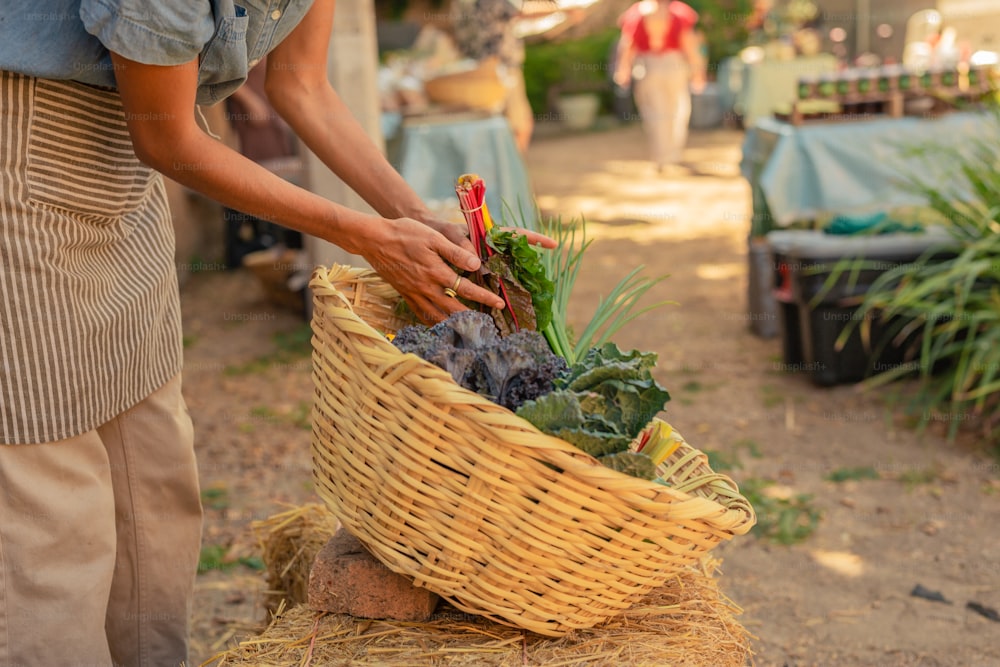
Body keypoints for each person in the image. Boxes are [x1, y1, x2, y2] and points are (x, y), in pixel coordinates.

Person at [0, 2, 554, 666]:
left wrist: (419, 220)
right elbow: (169, 137)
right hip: (30, 147)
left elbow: (302, 86)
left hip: (130, 163)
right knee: (55, 501)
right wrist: (363, 236)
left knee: (154, 479)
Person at [613, 0, 707, 174]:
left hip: (649, 66)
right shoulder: (678, 12)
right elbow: (689, 44)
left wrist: (623, 70)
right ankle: (672, 154)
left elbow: (627, 45)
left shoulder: (637, 13)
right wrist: (697, 71)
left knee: (654, 113)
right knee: (676, 110)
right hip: (674, 66)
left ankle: (661, 156)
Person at [451, 0, 534, 153]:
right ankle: (511, 166)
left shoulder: (468, 4)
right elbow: (521, 14)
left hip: (484, 68)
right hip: (504, 67)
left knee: (500, 122)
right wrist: (564, 12)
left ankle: (506, 164)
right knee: (521, 122)